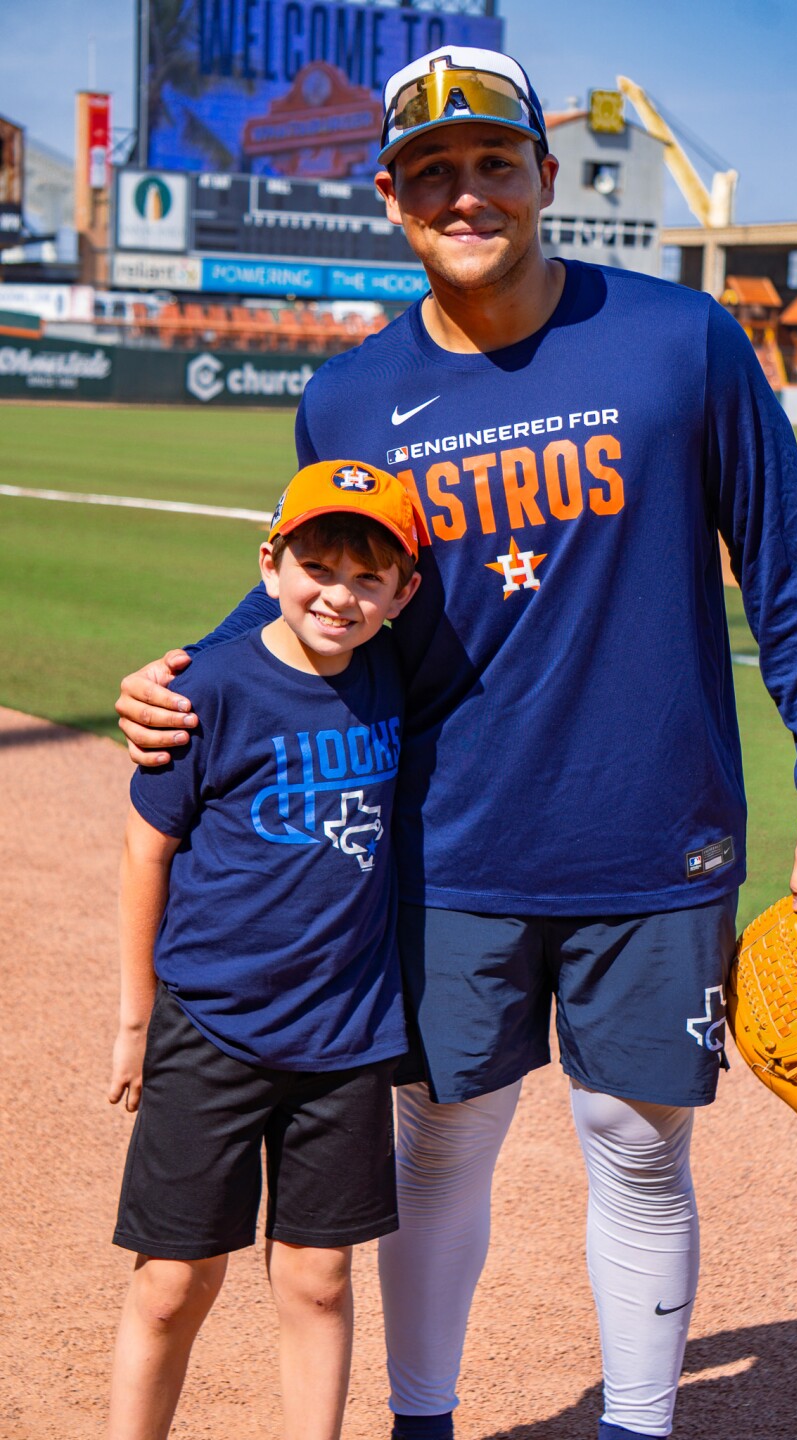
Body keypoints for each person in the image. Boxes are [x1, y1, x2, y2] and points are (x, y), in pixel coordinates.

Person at [115, 45, 797, 1440]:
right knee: (441, 1139)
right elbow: (314, 576)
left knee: (637, 1148)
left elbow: (787, 568)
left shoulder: (679, 340)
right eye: (429, 173)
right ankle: (422, 1423)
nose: (464, 193)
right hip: (445, 836)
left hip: (658, 830)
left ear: (542, 171)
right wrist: (188, 675)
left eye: (490, 162)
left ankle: (636, 1428)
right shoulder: (349, 399)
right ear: (392, 199)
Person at [106, 459, 422, 1440]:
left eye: (369, 578)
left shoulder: (395, 676)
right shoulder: (209, 687)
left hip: (345, 1037)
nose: (339, 593)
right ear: (270, 562)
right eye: (316, 565)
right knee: (171, 1282)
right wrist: (134, 1019)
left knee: (320, 1280)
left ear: (404, 592)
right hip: (212, 1025)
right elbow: (144, 848)